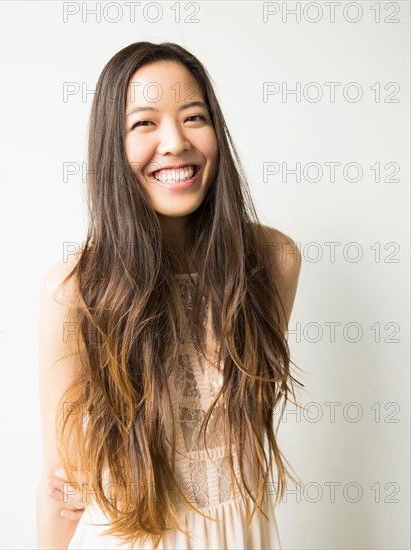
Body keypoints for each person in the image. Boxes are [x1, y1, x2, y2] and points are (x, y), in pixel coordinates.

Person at [37, 41, 303, 549]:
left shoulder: (273, 262)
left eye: (194, 117)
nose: (175, 142)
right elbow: (60, 482)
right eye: (144, 123)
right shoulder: (72, 291)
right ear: (112, 146)